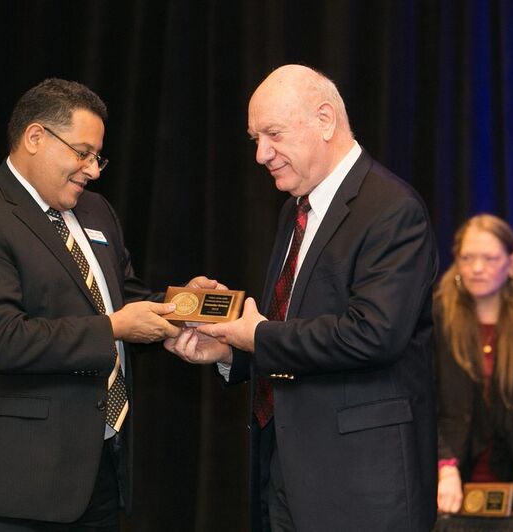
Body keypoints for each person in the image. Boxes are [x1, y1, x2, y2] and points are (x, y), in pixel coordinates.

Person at [0, 78, 218, 530]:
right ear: (35, 137)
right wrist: (115, 328)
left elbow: (121, 298)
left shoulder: (95, 210)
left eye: (97, 157)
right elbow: (3, 340)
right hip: (13, 485)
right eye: (83, 153)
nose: (93, 170)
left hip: (97, 471)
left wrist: (184, 305)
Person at [165, 64, 439, 532]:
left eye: (273, 134)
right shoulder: (294, 211)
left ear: (325, 120)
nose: (261, 154)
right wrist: (231, 350)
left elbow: (373, 335)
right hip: (287, 475)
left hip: (362, 487)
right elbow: (292, 329)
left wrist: (258, 336)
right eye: (255, 139)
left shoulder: (392, 209)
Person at [434, 214, 513, 513]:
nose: (476, 268)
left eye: (489, 258)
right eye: (467, 258)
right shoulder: (436, 315)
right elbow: (422, 400)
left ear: (512, 263)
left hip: (509, 475)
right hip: (447, 479)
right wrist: (445, 465)